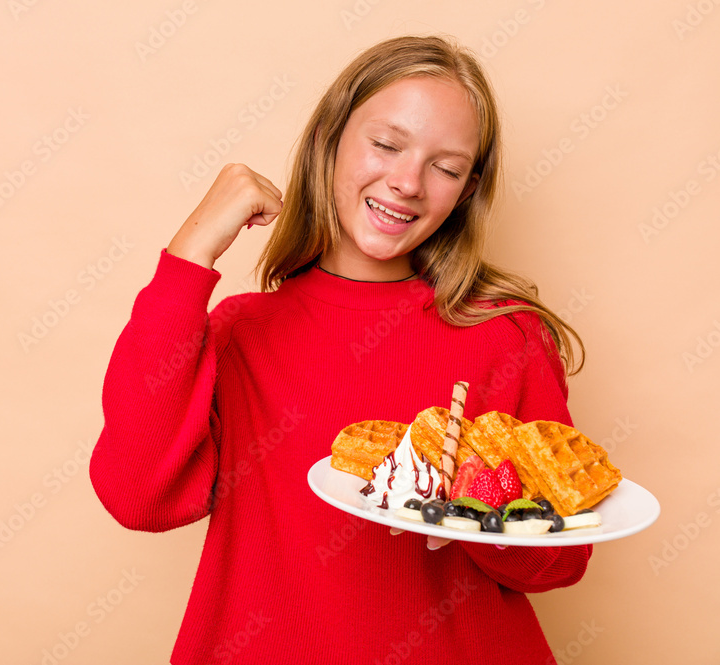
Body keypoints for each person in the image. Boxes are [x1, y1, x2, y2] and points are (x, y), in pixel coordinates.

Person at [90, 34, 592, 664]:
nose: (407, 181)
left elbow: (561, 559)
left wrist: (468, 513)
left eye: (446, 166)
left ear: (467, 190)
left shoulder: (506, 337)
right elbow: (139, 497)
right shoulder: (243, 333)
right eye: (386, 144)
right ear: (329, 141)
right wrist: (189, 256)